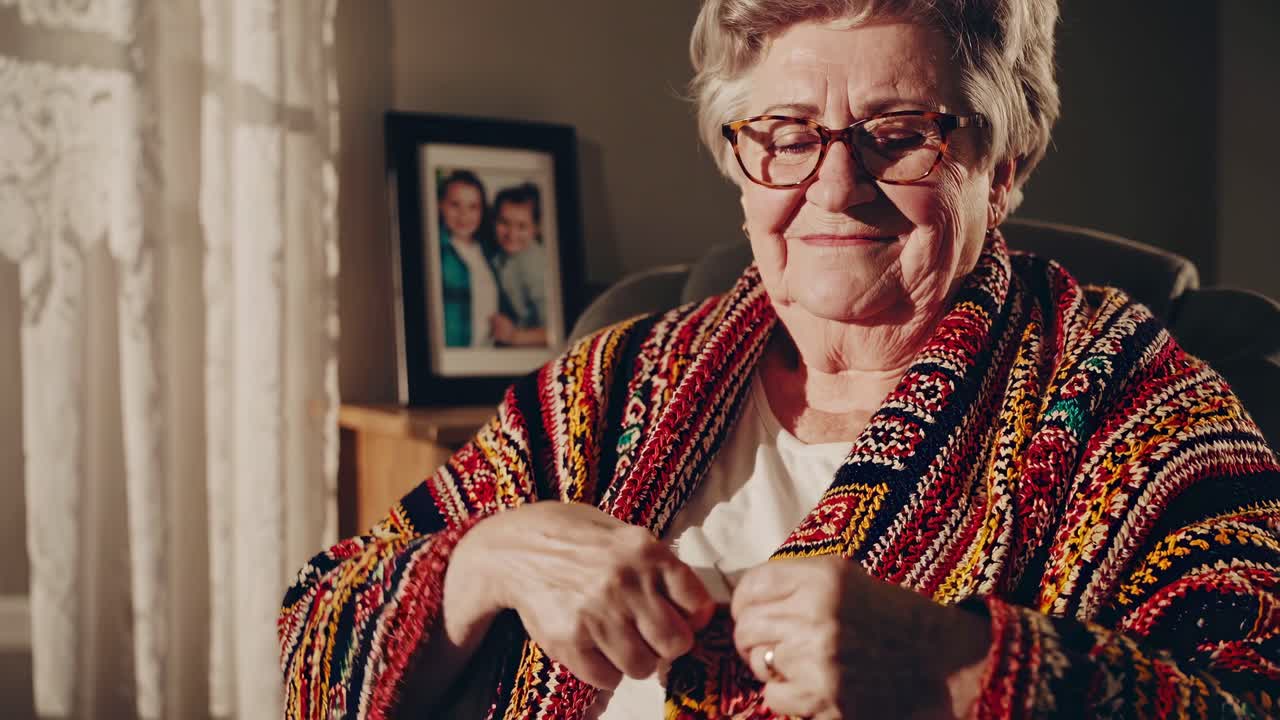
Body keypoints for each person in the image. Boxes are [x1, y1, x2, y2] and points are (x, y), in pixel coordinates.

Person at [281, 0, 1280, 717]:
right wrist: (483, 563)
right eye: (786, 133)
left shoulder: (1134, 407)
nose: (835, 186)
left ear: (1001, 165)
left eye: (899, 134)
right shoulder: (614, 382)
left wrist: (962, 671)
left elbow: (1245, 695)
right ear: (739, 159)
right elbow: (313, 636)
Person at [437, 169, 500, 347]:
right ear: (440, 205)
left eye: (473, 207)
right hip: (457, 357)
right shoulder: (438, 252)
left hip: (487, 356)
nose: (463, 215)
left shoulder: (489, 251)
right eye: (455, 204)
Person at [488, 183, 550, 347]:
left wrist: (515, 337)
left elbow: (555, 330)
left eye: (522, 226)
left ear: (536, 229)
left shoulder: (534, 264)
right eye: (504, 222)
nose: (511, 233)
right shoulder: (499, 257)